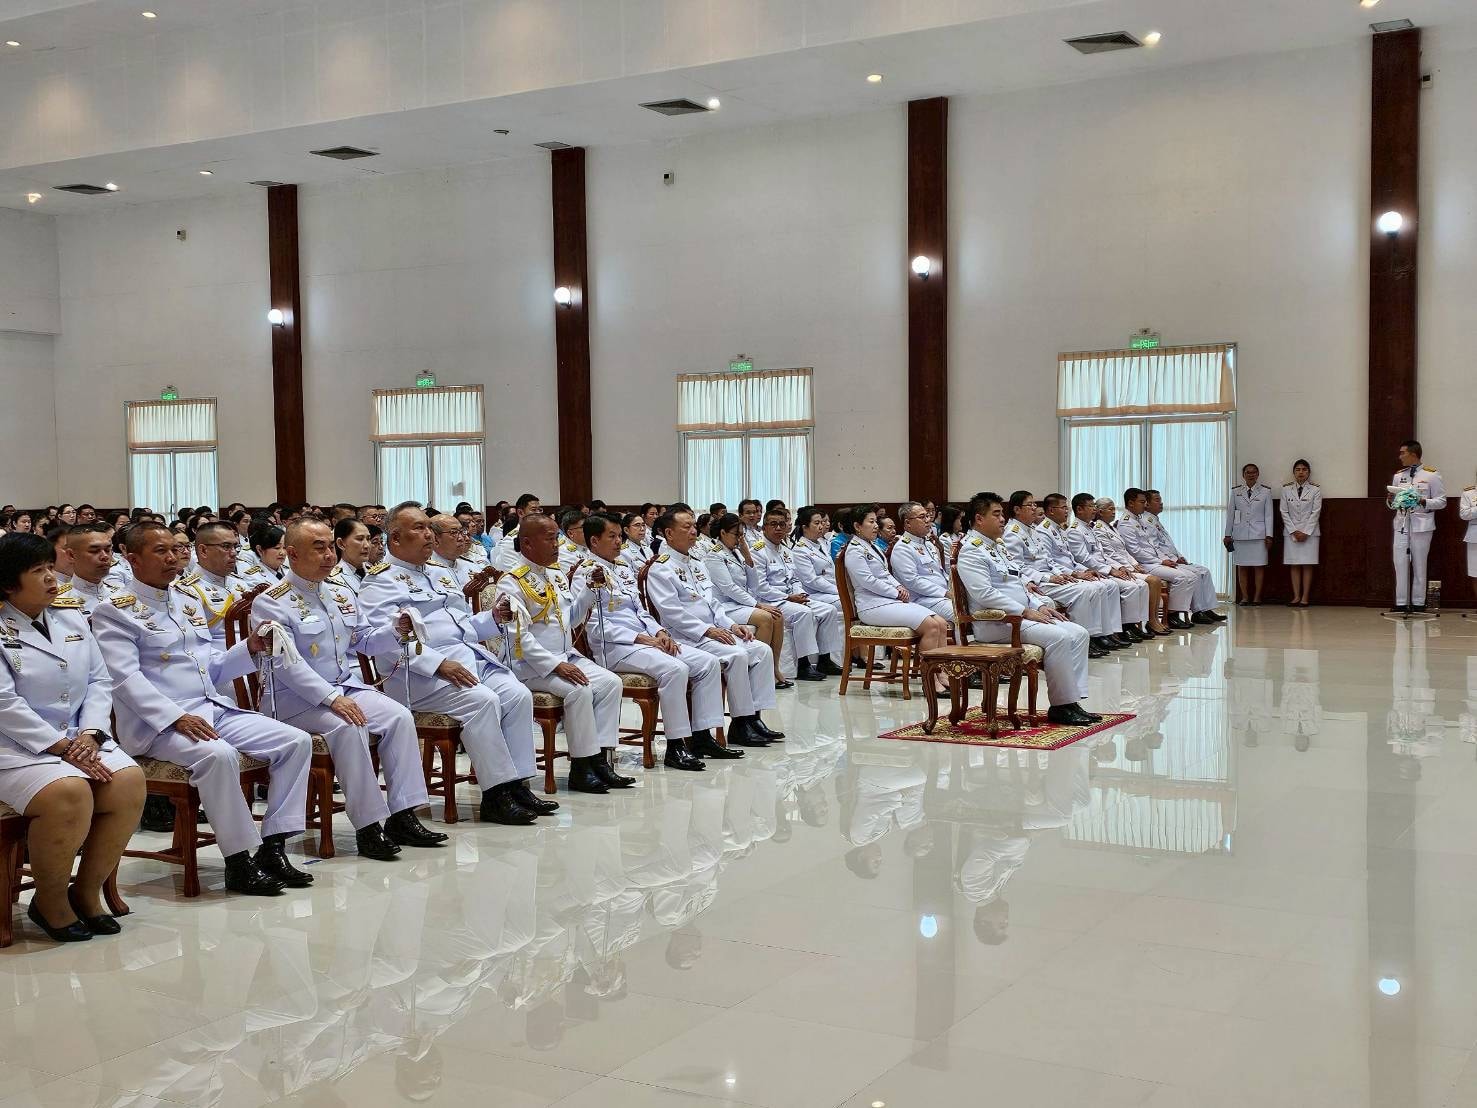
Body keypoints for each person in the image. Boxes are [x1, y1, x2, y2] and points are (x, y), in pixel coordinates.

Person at [91, 521, 314, 896]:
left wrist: (249, 648)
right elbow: (125, 680)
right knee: (219, 755)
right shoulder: (114, 611)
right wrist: (175, 717)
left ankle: (273, 846)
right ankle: (239, 861)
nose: (172, 558)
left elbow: (209, 667)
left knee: (295, 742)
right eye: (160, 551)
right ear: (132, 559)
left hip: (209, 708)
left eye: (174, 550)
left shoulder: (186, 600)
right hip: (157, 725)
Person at [250, 519, 447, 860]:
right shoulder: (272, 602)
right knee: (349, 726)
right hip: (294, 700)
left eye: (331, 546)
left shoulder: (339, 593)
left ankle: (403, 814)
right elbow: (287, 665)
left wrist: (397, 630)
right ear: (292, 554)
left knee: (399, 717)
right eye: (319, 548)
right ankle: (368, 827)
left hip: (343, 687)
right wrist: (332, 699)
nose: (329, 555)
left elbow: (363, 640)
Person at [356, 503, 545, 825]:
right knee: (482, 701)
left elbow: (463, 626)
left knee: (517, 695)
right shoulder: (380, 582)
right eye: (419, 528)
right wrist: (438, 664)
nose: (428, 534)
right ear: (395, 538)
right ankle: (496, 794)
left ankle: (518, 783)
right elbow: (386, 644)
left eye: (429, 528)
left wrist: (493, 618)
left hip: (466, 659)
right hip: (417, 675)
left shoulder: (439, 573)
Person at [0, 533, 145, 942]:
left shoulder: (69, 615)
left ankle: (85, 890)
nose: (52, 578)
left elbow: (99, 680)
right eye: (38, 571)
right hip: (15, 748)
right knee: (69, 792)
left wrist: (91, 734)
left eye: (51, 567)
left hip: (79, 739)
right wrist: (62, 747)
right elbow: (3, 702)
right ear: (8, 584)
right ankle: (50, 901)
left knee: (128, 781)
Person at [574, 514, 734, 770]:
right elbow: (592, 625)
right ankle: (675, 745)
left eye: (619, 536)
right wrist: (640, 638)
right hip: (616, 647)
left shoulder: (622, 568)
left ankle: (702, 736)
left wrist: (659, 632)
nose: (618, 542)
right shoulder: (586, 573)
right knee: (675, 669)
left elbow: (642, 610)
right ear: (594, 541)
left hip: (645, 641)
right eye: (612, 537)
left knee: (707, 662)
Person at [495, 515, 632, 794]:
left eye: (557, 538)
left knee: (610, 683)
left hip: (565, 655)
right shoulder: (511, 582)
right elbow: (518, 636)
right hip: (529, 665)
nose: (556, 545)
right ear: (527, 543)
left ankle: (601, 760)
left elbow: (572, 620)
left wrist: (589, 591)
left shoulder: (556, 574)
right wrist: (555, 665)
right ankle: (581, 766)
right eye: (549, 539)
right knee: (579, 690)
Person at [644, 510, 784, 747]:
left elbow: (713, 603)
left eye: (693, 526)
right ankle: (738, 723)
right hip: (687, 637)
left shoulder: (696, 563)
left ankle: (753, 719)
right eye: (686, 527)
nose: (693, 531)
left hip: (713, 631)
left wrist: (732, 625)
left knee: (761, 650)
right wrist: (707, 630)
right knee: (737, 655)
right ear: (669, 533)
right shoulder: (661, 568)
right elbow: (672, 613)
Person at [955, 494, 1098, 725]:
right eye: (996, 514)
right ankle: (1061, 705)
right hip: (998, 623)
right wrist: (1024, 611)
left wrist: (1039, 605)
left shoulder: (997, 545)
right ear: (979, 519)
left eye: (1002, 514)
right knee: (1059, 637)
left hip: (1018, 617)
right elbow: (984, 593)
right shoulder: (972, 550)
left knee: (1079, 633)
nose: (1003, 519)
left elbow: (1019, 583)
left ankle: (1072, 701)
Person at [1002, 493, 1116, 656]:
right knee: (1085, 591)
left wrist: (1065, 573)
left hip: (1049, 577)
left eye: (1035, 504)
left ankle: (1097, 636)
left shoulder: (1031, 530)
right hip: (1038, 581)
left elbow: (1049, 560)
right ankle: (1085, 639)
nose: (1034, 508)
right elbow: (1018, 567)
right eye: (1030, 505)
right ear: (1017, 509)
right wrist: (1049, 577)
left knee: (1097, 586)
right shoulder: (1012, 533)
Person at [842, 505, 950, 668]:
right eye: (871, 522)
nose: (876, 526)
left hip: (888, 601)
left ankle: (941, 673)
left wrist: (899, 586)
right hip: (872, 605)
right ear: (857, 526)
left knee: (940, 623)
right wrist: (895, 592)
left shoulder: (872, 546)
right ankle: (930, 677)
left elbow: (886, 574)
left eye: (875, 521)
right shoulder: (854, 550)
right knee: (931, 626)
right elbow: (867, 581)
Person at [1042, 493, 1149, 643]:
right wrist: (1079, 572)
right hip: (1060, 575)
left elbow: (1084, 557)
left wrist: (1116, 567)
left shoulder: (1074, 529)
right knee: (1103, 587)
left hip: (1084, 570)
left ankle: (1112, 631)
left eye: (1067, 508)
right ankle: (1093, 636)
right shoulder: (1061, 530)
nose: (1094, 509)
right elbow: (1076, 558)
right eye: (1091, 506)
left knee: (1130, 585)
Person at [752, 507, 844, 681]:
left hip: (791, 597)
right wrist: (788, 598)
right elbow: (761, 587)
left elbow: (794, 579)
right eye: (773, 524)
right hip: (770, 601)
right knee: (803, 613)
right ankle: (803, 665)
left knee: (828, 610)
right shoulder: (758, 551)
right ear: (764, 528)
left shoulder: (785, 549)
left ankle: (825, 660)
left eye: (782, 524)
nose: (778, 528)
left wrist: (800, 594)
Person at [703, 515, 789, 686]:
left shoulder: (736, 552)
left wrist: (747, 555)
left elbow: (754, 584)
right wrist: (758, 604)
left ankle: (773, 667)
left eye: (742, 535)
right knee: (765, 618)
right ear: (723, 533)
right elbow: (729, 588)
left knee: (777, 616)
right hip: (725, 606)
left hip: (740, 603)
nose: (740, 539)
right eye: (737, 535)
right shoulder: (714, 556)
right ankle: (758, 672)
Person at [1116, 489, 1219, 629]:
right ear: (1131, 503)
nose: (1145, 505)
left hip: (1154, 561)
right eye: (1142, 502)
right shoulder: (1126, 523)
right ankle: (1171, 615)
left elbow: (1154, 545)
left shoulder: (1138, 520)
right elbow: (1135, 551)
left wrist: (1170, 559)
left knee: (1191, 575)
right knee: (1182, 577)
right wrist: (1161, 561)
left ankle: (1183, 613)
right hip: (1144, 564)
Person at [1068, 495, 1166, 637]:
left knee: (1141, 585)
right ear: (1079, 509)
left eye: (1094, 506)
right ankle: (1123, 628)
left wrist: (1119, 567)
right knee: (1131, 587)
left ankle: (1133, 625)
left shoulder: (1089, 528)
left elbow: (1104, 555)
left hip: (1106, 568)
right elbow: (1084, 558)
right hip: (1095, 571)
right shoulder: (1075, 530)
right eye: (1091, 506)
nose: (1094, 509)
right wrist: (1110, 570)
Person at [1388, 439, 1445, 614]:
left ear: (1413, 454)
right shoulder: (1399, 476)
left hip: (1422, 525)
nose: (1400, 456)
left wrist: (1422, 501)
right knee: (1400, 562)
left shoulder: (1431, 475)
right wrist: (1390, 500)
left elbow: (1441, 501)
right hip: (1402, 524)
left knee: (1419, 564)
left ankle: (1419, 602)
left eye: (1402, 453)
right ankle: (1401, 602)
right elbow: (1392, 503)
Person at [178, 520, 250, 648]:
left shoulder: (240, 583)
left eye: (235, 546)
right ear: (203, 551)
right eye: (226, 546)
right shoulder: (187, 591)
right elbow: (195, 645)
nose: (234, 552)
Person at [888, 501, 955, 622]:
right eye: (922, 517)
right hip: (922, 600)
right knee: (958, 612)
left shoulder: (928, 543)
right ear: (908, 523)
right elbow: (912, 581)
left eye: (927, 516)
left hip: (941, 596)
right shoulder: (902, 548)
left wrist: (953, 589)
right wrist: (945, 593)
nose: (928, 520)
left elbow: (939, 572)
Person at [1224, 463, 1274, 605]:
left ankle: (1257, 597)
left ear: (1258, 474)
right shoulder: (1236, 492)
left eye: (1254, 472)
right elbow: (1230, 515)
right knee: (1242, 566)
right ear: (1243, 475)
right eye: (1248, 472)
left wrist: (1269, 535)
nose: (1251, 475)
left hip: (1259, 535)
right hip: (1240, 534)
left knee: (1259, 566)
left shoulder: (1265, 492)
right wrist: (1227, 534)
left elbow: (1269, 515)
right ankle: (1245, 597)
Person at [1281, 459, 1322, 607]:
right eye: (1298, 469)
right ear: (1293, 472)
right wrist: (1294, 531)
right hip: (1291, 533)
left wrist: (1305, 532)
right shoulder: (1286, 490)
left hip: (1310, 533)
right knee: (1294, 564)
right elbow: (1284, 511)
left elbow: (1315, 512)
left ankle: (1305, 597)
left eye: (1304, 469)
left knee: (1307, 564)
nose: (1301, 472)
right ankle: (1296, 596)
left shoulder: (1315, 490)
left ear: (1308, 472)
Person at [65, 523, 122, 615]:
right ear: (71, 555)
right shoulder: (54, 601)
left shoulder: (121, 594)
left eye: (108, 550)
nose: (105, 556)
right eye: (94, 551)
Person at [493, 493, 542, 572]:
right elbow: (514, 574)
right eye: (534, 510)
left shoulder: (541, 536)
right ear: (520, 513)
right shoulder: (510, 541)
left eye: (539, 510)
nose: (538, 513)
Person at [332, 516, 374, 596]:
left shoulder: (374, 570)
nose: (367, 545)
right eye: (360, 539)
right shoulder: (333, 578)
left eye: (368, 539)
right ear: (341, 544)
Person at [556, 510, 588, 576]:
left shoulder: (588, 545)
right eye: (583, 527)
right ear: (570, 533)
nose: (589, 530)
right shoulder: (563, 553)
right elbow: (573, 579)